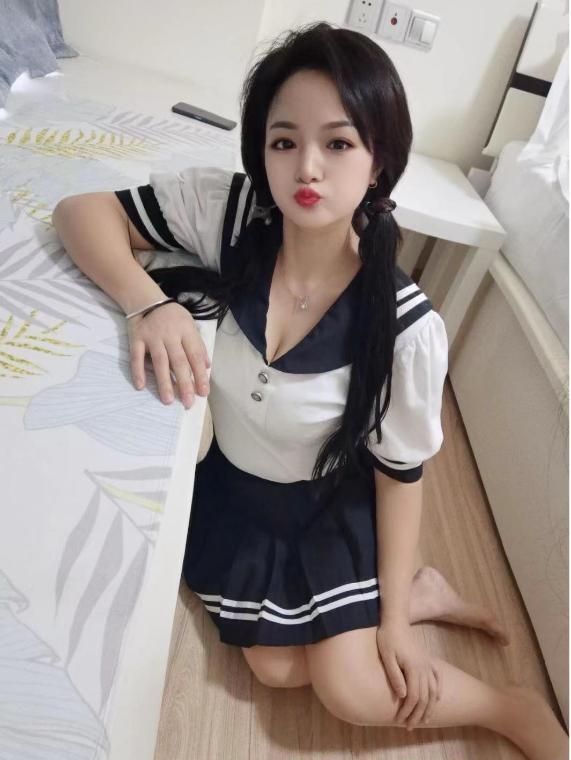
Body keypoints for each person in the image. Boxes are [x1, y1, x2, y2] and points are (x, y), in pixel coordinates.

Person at [52, 20, 568, 760]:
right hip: (237, 496)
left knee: (350, 692)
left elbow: (400, 477)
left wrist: (394, 625)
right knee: (275, 668)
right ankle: (414, 591)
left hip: (329, 508)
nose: (307, 168)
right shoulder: (231, 216)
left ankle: (506, 706)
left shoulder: (403, 326)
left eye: (339, 143)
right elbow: (81, 210)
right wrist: (148, 303)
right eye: (284, 140)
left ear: (378, 161)